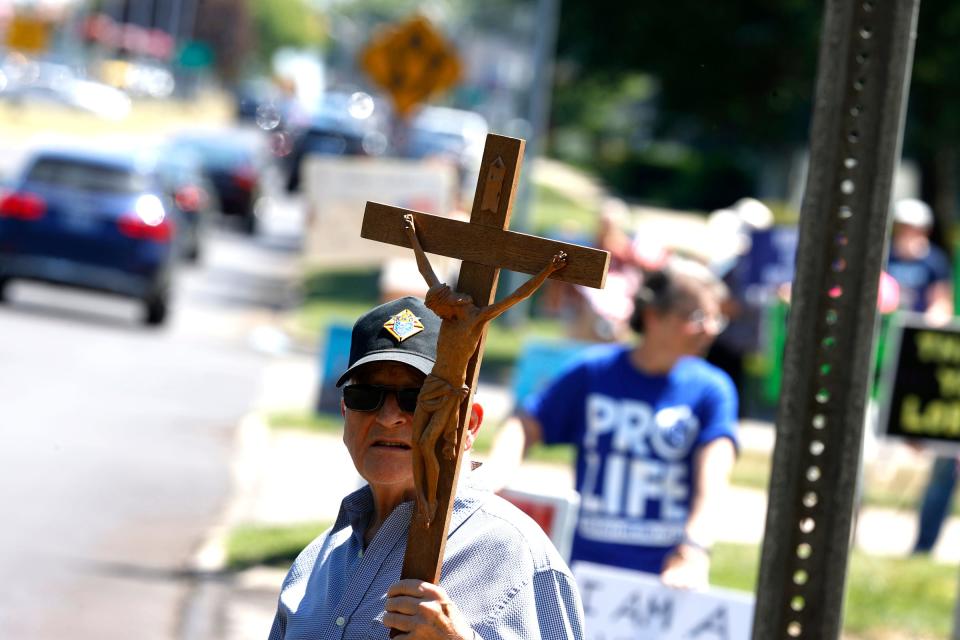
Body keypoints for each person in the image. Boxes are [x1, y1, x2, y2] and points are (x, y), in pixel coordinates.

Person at [267, 296, 585, 640]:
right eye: (367, 395)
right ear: (346, 411)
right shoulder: (315, 563)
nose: (389, 418)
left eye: (418, 398)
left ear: (471, 425)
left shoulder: (517, 556)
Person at [487, 257, 738, 590]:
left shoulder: (712, 388)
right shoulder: (593, 371)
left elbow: (715, 477)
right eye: (695, 317)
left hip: (666, 576)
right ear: (652, 316)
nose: (709, 329)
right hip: (583, 573)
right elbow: (526, 423)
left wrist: (693, 549)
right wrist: (495, 476)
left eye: (714, 317)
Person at [886, 198, 960, 554]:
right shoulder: (885, 255)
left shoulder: (934, 261)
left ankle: (923, 545)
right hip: (885, 355)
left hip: (918, 357)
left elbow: (940, 302)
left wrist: (934, 320)